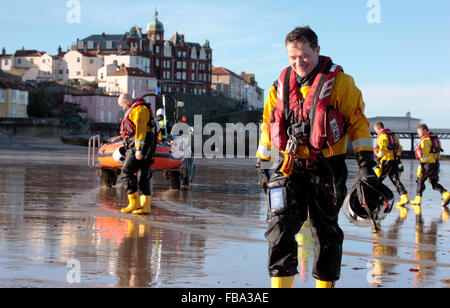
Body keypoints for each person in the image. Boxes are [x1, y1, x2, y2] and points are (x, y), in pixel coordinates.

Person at [256, 26, 376, 288]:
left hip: (327, 168)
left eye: (304, 56)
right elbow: (268, 125)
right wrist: (262, 165)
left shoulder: (342, 84)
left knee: (326, 233)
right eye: (292, 58)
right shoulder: (278, 87)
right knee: (279, 229)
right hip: (289, 166)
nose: (299, 63)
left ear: (317, 50)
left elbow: (358, 124)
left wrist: (367, 166)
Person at [118, 93, 157, 215]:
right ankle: (145, 206)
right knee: (142, 174)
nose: (123, 108)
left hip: (140, 144)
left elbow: (140, 131)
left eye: (123, 105)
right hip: (142, 143)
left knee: (126, 172)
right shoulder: (137, 108)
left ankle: (134, 203)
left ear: (128, 100)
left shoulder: (139, 109)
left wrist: (138, 149)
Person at [410, 124, 450, 208]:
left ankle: (417, 200)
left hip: (428, 164)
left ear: (424, 130)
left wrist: (422, 165)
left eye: (419, 131)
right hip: (435, 163)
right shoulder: (433, 139)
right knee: (434, 183)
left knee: (420, 180)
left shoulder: (425, 141)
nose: (418, 133)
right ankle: (446, 195)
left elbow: (424, 155)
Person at [373, 122, 408, 207]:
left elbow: (383, 149)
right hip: (394, 161)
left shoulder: (382, 136)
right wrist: (398, 159)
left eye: (376, 131)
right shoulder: (394, 136)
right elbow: (399, 148)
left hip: (386, 161)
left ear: (378, 129)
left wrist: (378, 159)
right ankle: (404, 197)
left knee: (378, 181)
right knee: (396, 180)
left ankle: (378, 198)